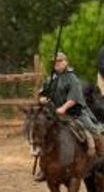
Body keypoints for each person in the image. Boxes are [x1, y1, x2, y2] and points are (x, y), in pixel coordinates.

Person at [35, 51, 103, 180]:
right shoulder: (51, 79)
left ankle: (100, 156)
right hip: (54, 114)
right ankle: (43, 167)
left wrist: (63, 108)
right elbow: (41, 94)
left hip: (76, 112)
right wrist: (43, 99)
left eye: (59, 62)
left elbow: (74, 99)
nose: (57, 64)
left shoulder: (73, 79)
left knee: (93, 130)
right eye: (55, 63)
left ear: (66, 62)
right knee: (43, 133)